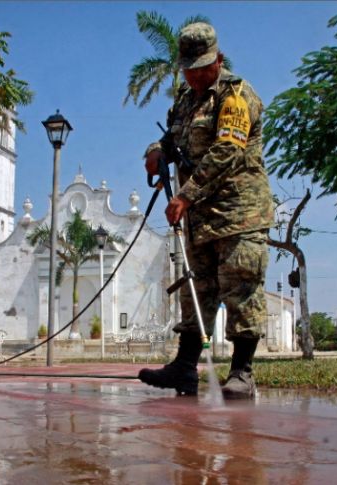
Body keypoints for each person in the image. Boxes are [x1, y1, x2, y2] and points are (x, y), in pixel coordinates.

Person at [138, 22, 274, 399]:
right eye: (188, 68)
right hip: (198, 220)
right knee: (196, 293)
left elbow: (227, 151)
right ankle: (184, 369)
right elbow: (171, 136)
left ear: (218, 60)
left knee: (241, 289)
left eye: (201, 67)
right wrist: (155, 151)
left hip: (237, 214)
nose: (194, 75)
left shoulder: (236, 96)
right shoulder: (186, 99)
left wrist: (185, 195)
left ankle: (242, 373)